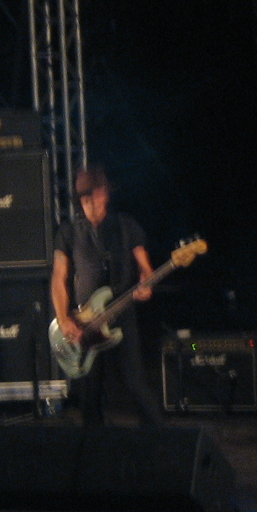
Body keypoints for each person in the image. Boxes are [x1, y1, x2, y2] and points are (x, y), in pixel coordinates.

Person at [51, 166, 160, 426]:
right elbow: (59, 277)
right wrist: (64, 318)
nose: (89, 203)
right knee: (90, 393)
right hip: (85, 322)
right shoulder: (69, 232)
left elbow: (145, 267)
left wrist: (147, 283)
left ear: (104, 195)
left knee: (135, 383)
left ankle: (162, 438)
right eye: (84, 199)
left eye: (93, 196)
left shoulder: (126, 226)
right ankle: (92, 448)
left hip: (122, 315)